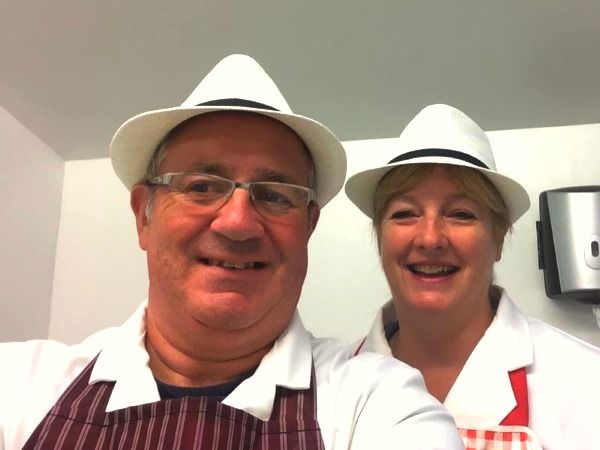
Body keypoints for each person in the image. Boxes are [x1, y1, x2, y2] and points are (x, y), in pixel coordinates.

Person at [0, 56, 462, 449]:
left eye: (275, 195)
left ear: (308, 227)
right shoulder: (18, 386)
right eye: (202, 187)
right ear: (144, 216)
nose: (238, 222)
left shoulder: (381, 403)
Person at [345, 103, 600, 450]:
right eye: (405, 213)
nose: (430, 238)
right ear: (380, 238)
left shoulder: (587, 382)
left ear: (498, 240)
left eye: (461, 214)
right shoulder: (326, 388)